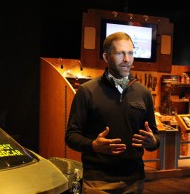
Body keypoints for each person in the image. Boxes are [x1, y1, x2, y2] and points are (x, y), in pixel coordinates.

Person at [65, 32, 160, 194]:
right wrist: (93, 145)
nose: (127, 59)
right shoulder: (87, 91)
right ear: (106, 57)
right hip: (98, 182)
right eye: (120, 53)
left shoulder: (144, 93)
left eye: (130, 53)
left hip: (134, 181)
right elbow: (71, 136)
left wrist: (153, 143)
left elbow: (155, 137)